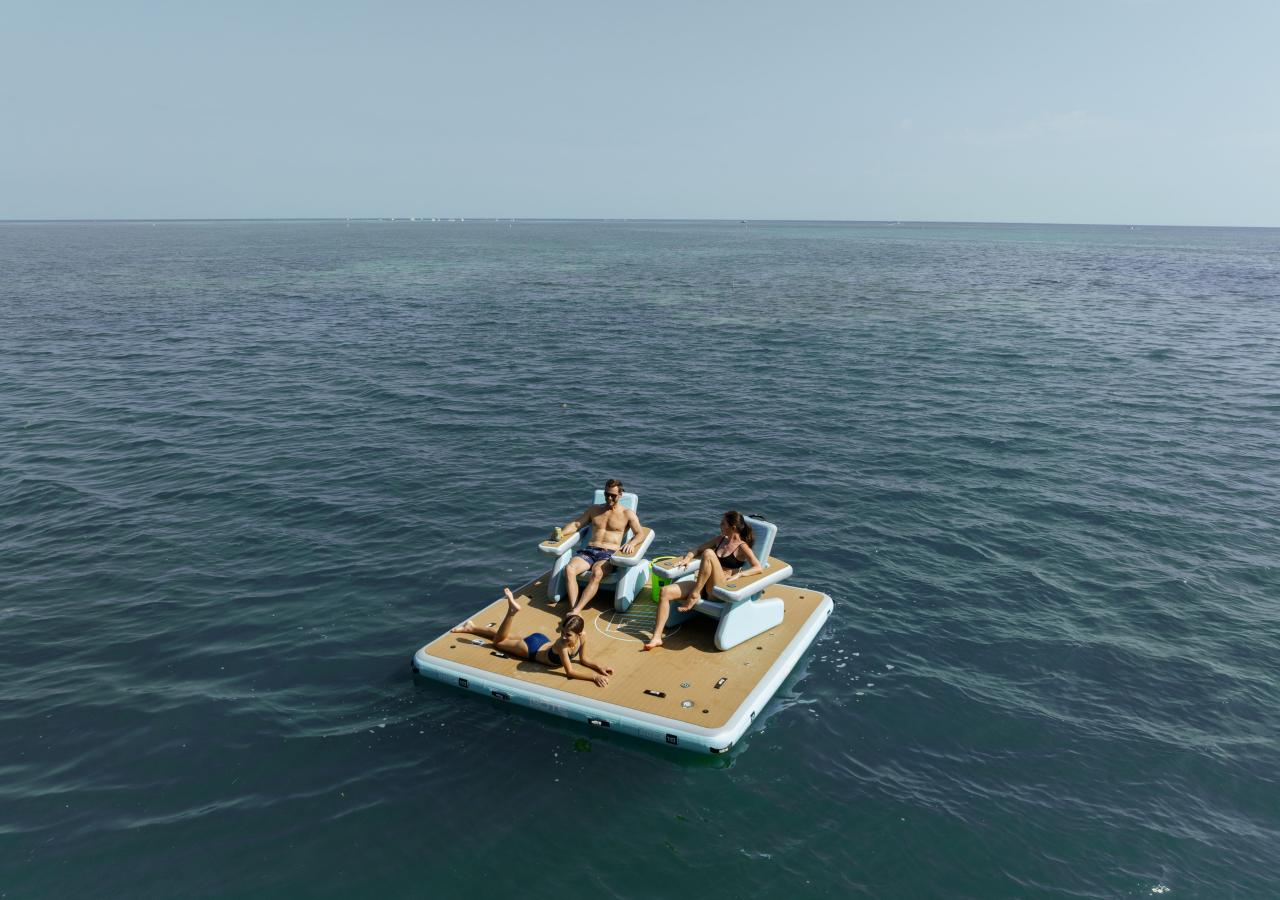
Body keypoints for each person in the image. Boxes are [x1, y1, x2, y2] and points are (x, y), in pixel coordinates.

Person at [643, 510, 762, 651]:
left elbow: (758, 567)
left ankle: (694, 595)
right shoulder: (720, 540)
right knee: (665, 592)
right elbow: (697, 549)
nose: (720, 525)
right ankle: (657, 637)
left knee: (709, 553)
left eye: (723, 523)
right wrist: (687, 558)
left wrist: (739, 575)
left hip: (720, 591)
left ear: (733, 527)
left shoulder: (742, 547)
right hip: (703, 587)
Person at [452, 588, 614, 687]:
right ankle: (511, 612)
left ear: (579, 634)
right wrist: (594, 677)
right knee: (499, 642)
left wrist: (598, 667)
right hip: (531, 649)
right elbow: (570, 672)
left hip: (541, 640)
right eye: (562, 632)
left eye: (568, 634)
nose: (564, 636)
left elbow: (584, 660)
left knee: (504, 636)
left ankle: (471, 627)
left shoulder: (583, 637)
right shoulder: (561, 645)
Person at [552, 478, 646, 615]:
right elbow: (577, 524)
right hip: (589, 551)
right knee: (570, 569)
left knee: (597, 572)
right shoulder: (594, 510)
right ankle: (574, 609)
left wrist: (631, 543)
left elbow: (640, 534)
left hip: (608, 554)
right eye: (606, 494)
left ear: (620, 495)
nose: (609, 498)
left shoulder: (627, 514)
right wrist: (560, 533)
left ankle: (577, 609)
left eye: (613, 495)